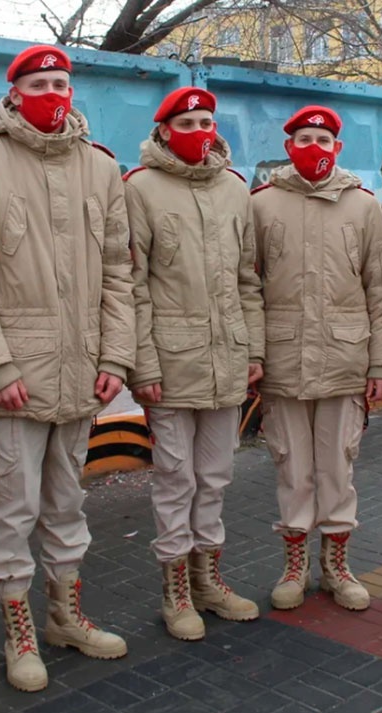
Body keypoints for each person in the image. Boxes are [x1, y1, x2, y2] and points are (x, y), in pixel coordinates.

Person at [0, 45, 134, 692]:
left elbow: (118, 272)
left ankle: (65, 616)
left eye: (62, 82)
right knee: (12, 508)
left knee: (66, 504)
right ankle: (17, 629)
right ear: (14, 92)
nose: (55, 93)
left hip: (81, 371)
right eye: (40, 83)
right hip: (15, 380)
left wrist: (115, 357)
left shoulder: (100, 169)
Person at [124, 86, 265, 641]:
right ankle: (175, 589)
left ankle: (209, 579)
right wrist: (143, 363)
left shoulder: (234, 189)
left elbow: (248, 280)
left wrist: (253, 348)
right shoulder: (139, 188)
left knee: (216, 476)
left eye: (206, 120)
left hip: (227, 358)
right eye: (186, 122)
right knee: (175, 479)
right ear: (162, 131)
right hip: (170, 361)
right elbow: (131, 284)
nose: (199, 130)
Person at [250, 106, 382, 613]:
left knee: (338, 466)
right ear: (289, 146)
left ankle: (337, 565)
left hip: (344, 358)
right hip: (283, 358)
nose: (315, 146)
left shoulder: (364, 205)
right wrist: (254, 353)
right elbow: (250, 286)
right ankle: (295, 566)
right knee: (292, 466)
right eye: (304, 137)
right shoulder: (263, 204)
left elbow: (381, 290)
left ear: (338, 147)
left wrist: (381, 364)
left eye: (324, 138)